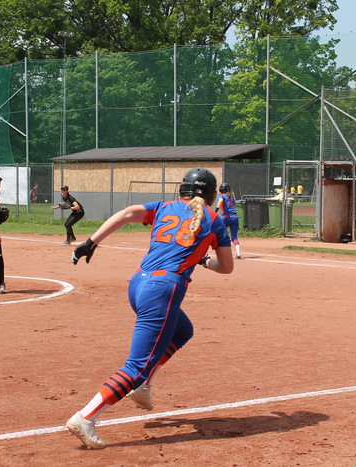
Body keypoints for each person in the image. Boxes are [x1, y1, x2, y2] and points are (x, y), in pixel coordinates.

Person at [65, 168, 234, 449]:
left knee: (182, 331)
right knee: (136, 366)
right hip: (163, 292)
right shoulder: (214, 220)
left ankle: (143, 387)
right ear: (212, 195)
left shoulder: (164, 207)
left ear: (182, 191)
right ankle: (86, 417)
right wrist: (203, 261)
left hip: (138, 284)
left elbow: (127, 213)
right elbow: (226, 267)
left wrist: (91, 242)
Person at [216, 183, 241, 259]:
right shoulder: (231, 198)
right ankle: (238, 253)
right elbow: (233, 206)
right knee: (234, 237)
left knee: (219, 234)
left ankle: (222, 253)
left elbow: (220, 201)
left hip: (226, 218)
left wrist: (215, 211)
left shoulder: (221, 196)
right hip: (234, 217)